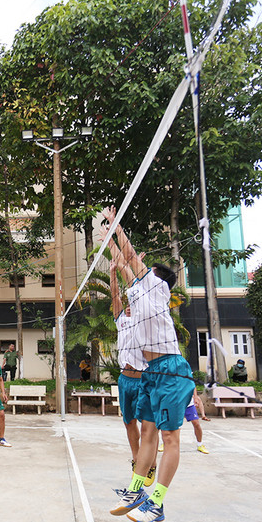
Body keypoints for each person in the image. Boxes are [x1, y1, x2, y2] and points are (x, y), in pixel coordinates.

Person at [107, 229, 195, 522]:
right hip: (150, 373)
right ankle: (135, 491)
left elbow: (131, 258)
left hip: (171, 370)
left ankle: (157, 502)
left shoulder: (158, 290)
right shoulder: (140, 293)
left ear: (158, 280)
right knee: (147, 433)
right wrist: (110, 241)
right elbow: (124, 266)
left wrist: (117, 227)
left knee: (169, 438)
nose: (141, 273)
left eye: (148, 271)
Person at [100, 211, 157, 501]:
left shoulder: (146, 317)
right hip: (125, 379)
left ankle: (149, 463)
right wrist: (113, 272)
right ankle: (138, 463)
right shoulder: (121, 319)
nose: (130, 302)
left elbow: (133, 278)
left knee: (148, 426)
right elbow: (115, 295)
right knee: (128, 423)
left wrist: (121, 253)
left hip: (144, 378)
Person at [186, 390, 209, 454]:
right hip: (175, 402)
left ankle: (200, 444)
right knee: (170, 424)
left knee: (196, 424)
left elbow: (193, 386)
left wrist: (195, 397)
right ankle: (165, 443)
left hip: (189, 404)